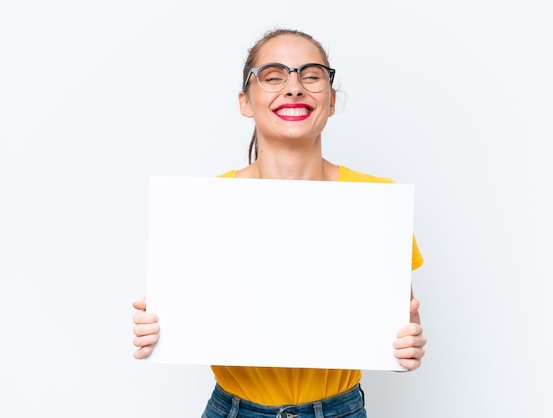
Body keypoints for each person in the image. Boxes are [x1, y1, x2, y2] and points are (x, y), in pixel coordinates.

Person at [132, 28, 427, 418]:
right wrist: (155, 329)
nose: (294, 88)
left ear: (332, 100)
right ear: (245, 101)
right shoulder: (205, 205)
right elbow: (185, 317)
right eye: (273, 76)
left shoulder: (376, 200)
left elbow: (398, 323)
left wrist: (407, 344)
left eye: (311, 75)